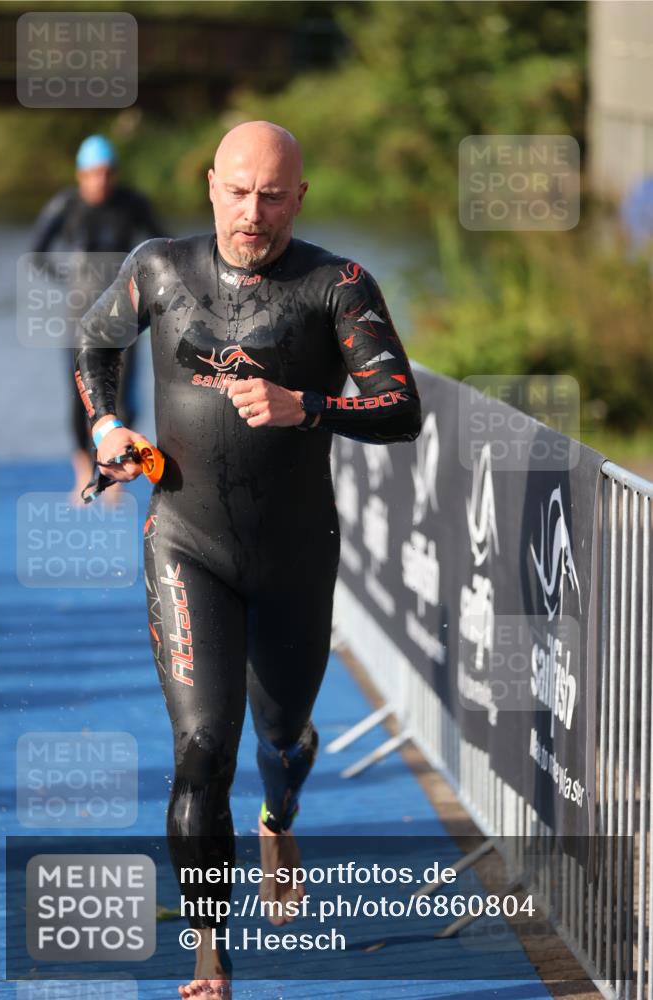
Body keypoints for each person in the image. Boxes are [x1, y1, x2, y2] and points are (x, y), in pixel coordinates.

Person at [74, 120, 421, 998]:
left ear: (297, 197)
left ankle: (279, 818)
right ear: (210, 185)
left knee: (281, 738)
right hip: (186, 542)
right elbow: (94, 341)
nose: (252, 213)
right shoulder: (158, 267)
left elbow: (398, 407)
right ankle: (209, 953)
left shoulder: (336, 286)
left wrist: (305, 404)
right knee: (201, 746)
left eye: (272, 196)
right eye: (237, 191)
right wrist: (109, 423)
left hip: (295, 552)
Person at [31, 134, 165, 502]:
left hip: (126, 314)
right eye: (92, 174)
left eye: (106, 174)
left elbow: (164, 248)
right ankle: (81, 474)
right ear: (80, 175)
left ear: (115, 174)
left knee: (125, 392)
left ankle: (118, 477)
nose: (99, 181)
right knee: (80, 396)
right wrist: (67, 280)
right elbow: (37, 252)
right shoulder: (65, 205)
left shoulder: (132, 204)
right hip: (80, 313)